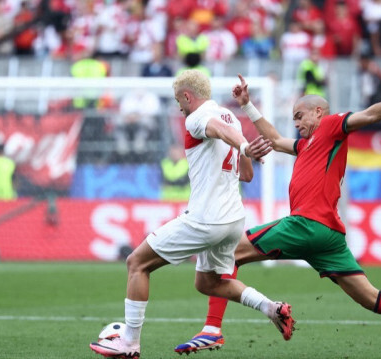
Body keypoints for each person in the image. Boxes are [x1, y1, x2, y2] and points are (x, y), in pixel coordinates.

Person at [174, 74, 381, 359]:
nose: (297, 123)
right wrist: (248, 106)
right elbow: (275, 140)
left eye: (300, 116)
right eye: (294, 119)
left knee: (228, 253)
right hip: (329, 237)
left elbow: (369, 115)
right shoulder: (305, 146)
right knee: (371, 298)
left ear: (318, 112)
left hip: (306, 225)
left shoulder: (332, 125)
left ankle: (213, 327)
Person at [89, 70, 295, 359]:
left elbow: (216, 129)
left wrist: (245, 145)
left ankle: (130, 343)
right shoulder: (231, 117)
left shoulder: (198, 117)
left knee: (136, 263)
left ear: (188, 96)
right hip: (233, 219)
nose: (178, 107)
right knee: (207, 283)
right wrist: (244, 148)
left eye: (178, 100)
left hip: (206, 218)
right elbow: (246, 174)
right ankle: (272, 308)